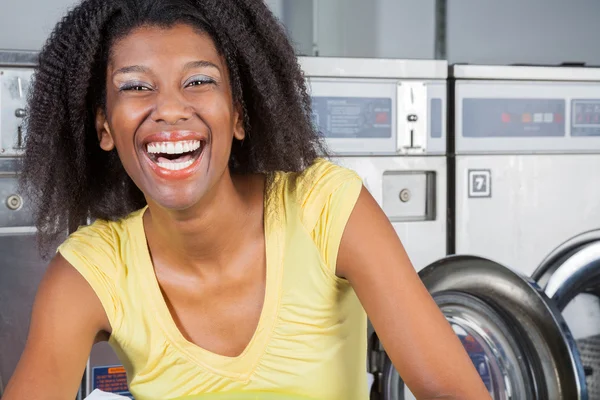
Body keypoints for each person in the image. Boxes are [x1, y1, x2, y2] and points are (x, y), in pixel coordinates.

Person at [4, 0, 491, 399]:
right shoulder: (92, 272)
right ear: (105, 128)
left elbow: (455, 393)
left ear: (239, 115)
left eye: (199, 81)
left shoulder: (326, 209)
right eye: (135, 87)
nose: (171, 109)